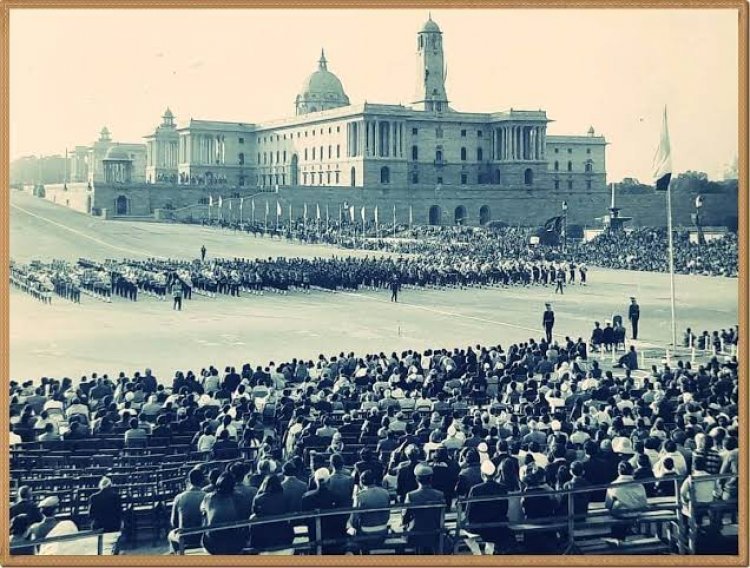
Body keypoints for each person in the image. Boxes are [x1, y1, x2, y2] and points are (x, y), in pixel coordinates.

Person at [464, 460, 509, 555]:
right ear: (495, 473)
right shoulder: (503, 488)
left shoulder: (475, 489)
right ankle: (488, 551)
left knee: (463, 532)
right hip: (498, 524)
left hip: (478, 526)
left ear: (482, 474)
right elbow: (504, 509)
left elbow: (469, 512)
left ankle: (477, 553)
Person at [402, 463, 446, 554]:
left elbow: (405, 518)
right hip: (435, 533)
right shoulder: (440, 494)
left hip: (415, 534)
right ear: (431, 479)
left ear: (416, 479)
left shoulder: (411, 496)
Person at [200, 472, 248, 555]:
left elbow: (203, 512)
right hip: (235, 545)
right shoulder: (239, 497)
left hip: (212, 545)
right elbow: (244, 516)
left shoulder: (208, 497)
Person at [349, 470, 391, 553]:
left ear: (361, 482)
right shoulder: (385, 493)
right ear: (374, 480)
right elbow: (387, 514)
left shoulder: (360, 496)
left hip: (366, 534)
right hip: (383, 532)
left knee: (352, 534)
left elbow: (353, 521)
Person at [250, 475, 294, 554]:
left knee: (252, 518)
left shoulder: (258, 499)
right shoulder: (286, 497)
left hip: (264, 537)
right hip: (283, 535)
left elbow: (254, 513)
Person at [169, 468, 207, 553]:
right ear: (202, 481)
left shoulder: (179, 498)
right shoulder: (207, 497)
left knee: (171, 534)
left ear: (189, 481)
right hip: (202, 538)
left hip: (185, 539)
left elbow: (173, 522)